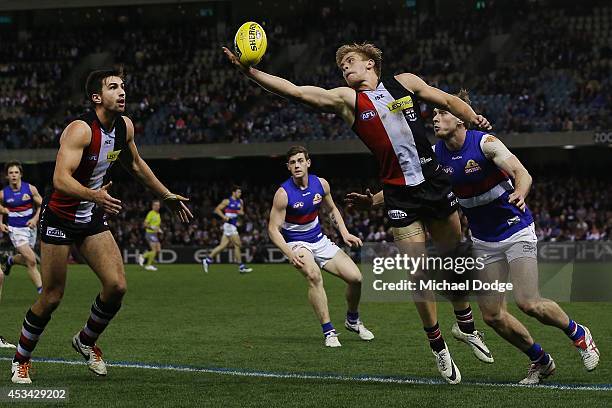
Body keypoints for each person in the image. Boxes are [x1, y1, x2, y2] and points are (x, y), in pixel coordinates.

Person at [224, 42, 491, 383]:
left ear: (370, 64)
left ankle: (465, 325)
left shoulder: (404, 82)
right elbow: (296, 92)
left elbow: (448, 101)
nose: (345, 69)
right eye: (341, 66)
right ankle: (438, 347)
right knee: (419, 273)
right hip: (399, 194)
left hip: (434, 183)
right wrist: (250, 72)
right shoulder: (348, 100)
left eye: (350, 62)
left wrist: (473, 118)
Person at [349, 90, 601, 384]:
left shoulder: (484, 144)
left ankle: (578, 334)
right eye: (434, 114)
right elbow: (408, 185)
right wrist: (372, 202)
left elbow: (522, 172)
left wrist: (520, 190)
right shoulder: (435, 157)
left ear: (460, 118)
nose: (436, 118)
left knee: (528, 302)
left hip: (515, 228)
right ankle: (540, 361)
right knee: (492, 316)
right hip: (483, 241)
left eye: (443, 112)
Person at [8, 68, 193, 384]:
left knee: (117, 286)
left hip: (90, 217)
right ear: (97, 97)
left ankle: (85, 340)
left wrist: (165, 194)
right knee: (52, 296)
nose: (121, 92)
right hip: (60, 217)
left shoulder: (124, 127)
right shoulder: (79, 130)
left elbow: (134, 164)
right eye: (112, 87)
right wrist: (95, 195)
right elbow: (60, 179)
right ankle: (21, 359)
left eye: (123, 86)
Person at [268, 146, 374, 347]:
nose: (297, 165)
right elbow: (273, 229)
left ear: (308, 163)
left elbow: (332, 209)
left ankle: (352, 320)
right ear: (288, 167)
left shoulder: (321, 184)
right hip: (297, 243)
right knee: (314, 276)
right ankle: (329, 331)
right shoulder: (283, 194)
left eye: (300, 161)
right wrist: (289, 252)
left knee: (357, 278)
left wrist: (344, 233)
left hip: (319, 240)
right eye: (292, 162)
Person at [0, 161, 44, 293]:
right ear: (7, 176)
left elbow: (42, 205)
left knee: (25, 258)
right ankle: (42, 290)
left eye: (16, 172)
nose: (13, 175)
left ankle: (9, 260)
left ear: (21, 174)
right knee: (31, 260)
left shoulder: (30, 189)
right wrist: (1, 223)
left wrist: (35, 219)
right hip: (15, 230)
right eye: (10, 173)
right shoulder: (3, 194)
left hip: (30, 228)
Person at [202, 186, 253, 274]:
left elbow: (242, 212)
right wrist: (224, 217)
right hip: (229, 225)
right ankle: (241, 267)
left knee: (223, 246)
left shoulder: (240, 201)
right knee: (238, 245)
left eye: (240, 192)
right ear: (233, 192)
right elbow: (217, 210)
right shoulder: (227, 201)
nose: (240, 194)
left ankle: (207, 259)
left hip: (232, 225)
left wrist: (238, 212)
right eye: (238, 192)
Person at [137, 200, 162, 271]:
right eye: (156, 205)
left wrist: (159, 229)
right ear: (153, 206)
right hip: (150, 233)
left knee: (158, 250)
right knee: (154, 250)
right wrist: (152, 227)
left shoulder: (158, 214)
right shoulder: (151, 213)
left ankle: (144, 256)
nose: (157, 207)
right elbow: (145, 224)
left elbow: (156, 225)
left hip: (155, 234)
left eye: (158, 205)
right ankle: (147, 263)